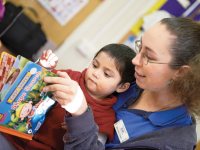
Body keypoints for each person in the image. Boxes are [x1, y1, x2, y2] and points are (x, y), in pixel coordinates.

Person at [42, 17, 200, 150]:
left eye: (149, 57)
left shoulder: (173, 141)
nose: (135, 60)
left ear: (181, 72)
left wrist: (80, 117)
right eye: (140, 47)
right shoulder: (134, 82)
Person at [1, 43, 135, 149]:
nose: (96, 73)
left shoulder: (107, 118)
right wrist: (42, 67)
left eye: (106, 74)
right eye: (95, 65)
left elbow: (90, 145)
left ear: (122, 86)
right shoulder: (69, 77)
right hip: (12, 135)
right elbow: (33, 86)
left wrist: (75, 127)